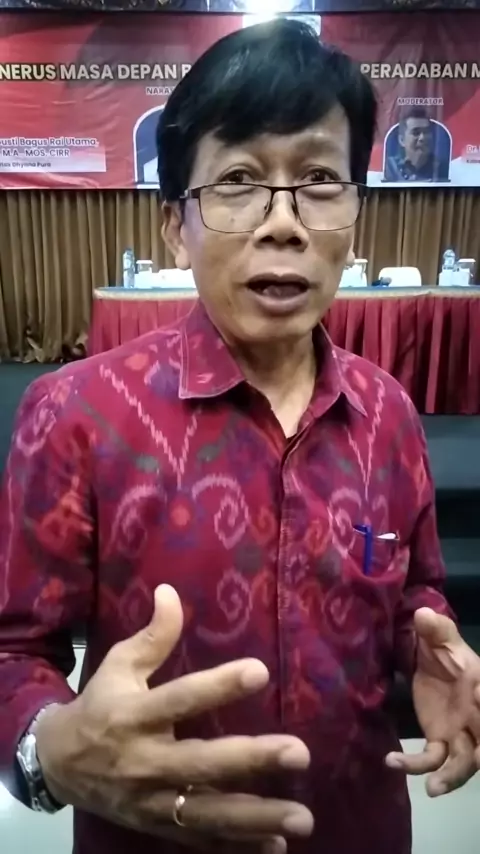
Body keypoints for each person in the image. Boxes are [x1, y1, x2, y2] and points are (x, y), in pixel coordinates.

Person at [1, 19, 480, 854]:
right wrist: (49, 752)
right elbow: (13, 648)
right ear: (173, 225)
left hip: (360, 830)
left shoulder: (390, 412)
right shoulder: (75, 413)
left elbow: (415, 592)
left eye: (320, 180)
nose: (283, 223)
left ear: (356, 213)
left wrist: (432, 651)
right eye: (238, 181)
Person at [384, 107, 450, 182]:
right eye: (416, 132)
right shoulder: (390, 167)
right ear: (402, 140)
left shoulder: (442, 169)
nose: (422, 138)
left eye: (426, 132)